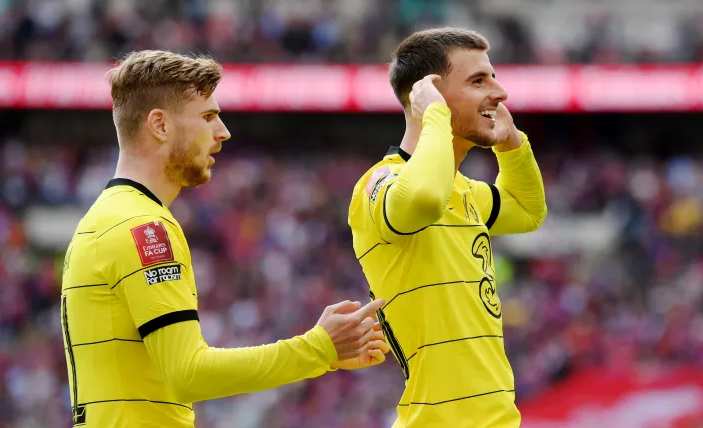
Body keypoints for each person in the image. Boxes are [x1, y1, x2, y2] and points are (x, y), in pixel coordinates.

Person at [60, 50, 388, 428]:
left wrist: (325, 354)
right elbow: (188, 374)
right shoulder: (143, 227)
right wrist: (318, 348)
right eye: (207, 116)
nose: (223, 131)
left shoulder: (106, 218)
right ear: (160, 125)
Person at [348, 28, 547, 427]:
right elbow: (423, 198)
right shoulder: (380, 183)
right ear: (429, 93)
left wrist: (512, 146)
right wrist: (434, 114)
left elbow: (527, 210)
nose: (500, 91)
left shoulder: (465, 191)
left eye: (493, 76)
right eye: (478, 80)